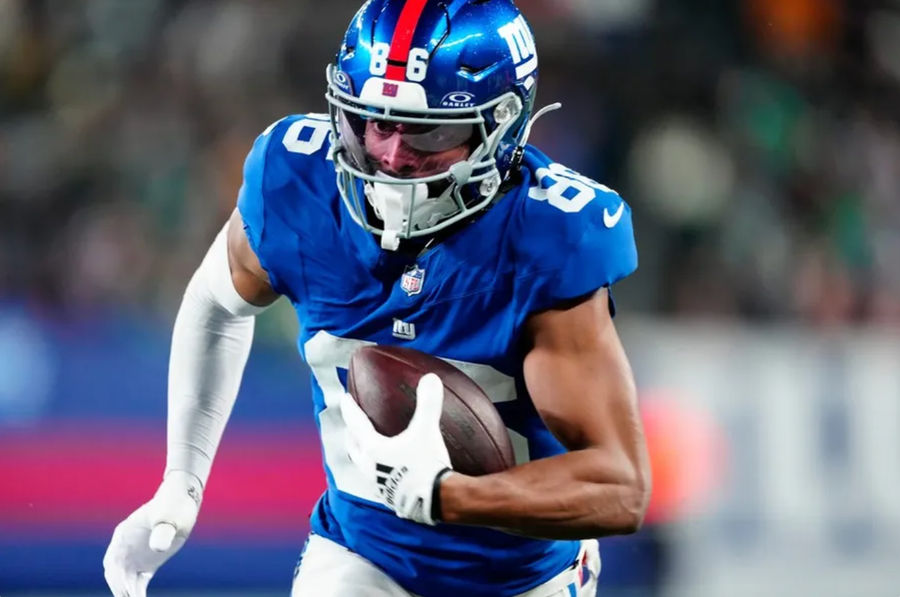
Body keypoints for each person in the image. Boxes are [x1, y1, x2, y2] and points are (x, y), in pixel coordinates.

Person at [102, 1, 651, 596]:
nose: (392, 155)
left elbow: (618, 486)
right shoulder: (299, 183)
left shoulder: (547, 236)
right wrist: (182, 481)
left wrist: (450, 497)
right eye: (377, 122)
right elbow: (215, 305)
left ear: (501, 125)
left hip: (522, 580)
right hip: (361, 557)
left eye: (428, 130)